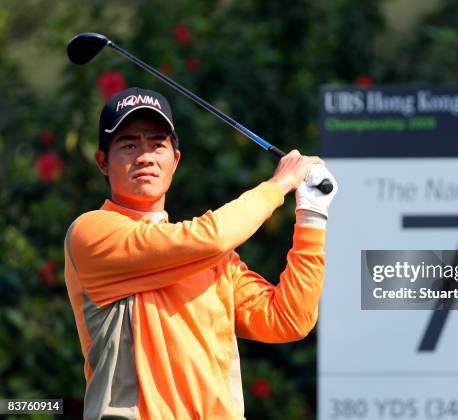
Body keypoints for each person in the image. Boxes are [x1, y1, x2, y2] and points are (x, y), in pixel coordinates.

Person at [63, 87, 337, 419]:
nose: (145, 156)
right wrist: (279, 184)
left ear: (175, 160)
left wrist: (311, 215)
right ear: (103, 162)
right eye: (129, 144)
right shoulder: (91, 232)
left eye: (158, 144)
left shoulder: (213, 259)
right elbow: (210, 238)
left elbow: (287, 319)